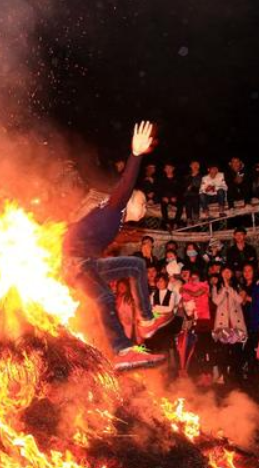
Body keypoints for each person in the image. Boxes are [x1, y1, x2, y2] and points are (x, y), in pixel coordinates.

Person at [62, 121, 169, 371]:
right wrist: (135, 155)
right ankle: (126, 345)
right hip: (74, 262)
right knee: (105, 295)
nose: (145, 209)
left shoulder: (114, 220)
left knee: (134, 265)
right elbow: (125, 185)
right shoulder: (115, 207)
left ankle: (143, 323)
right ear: (129, 201)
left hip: (86, 263)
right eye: (142, 203)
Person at [212, 266, 247, 384]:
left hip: (235, 322)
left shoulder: (238, 286)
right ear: (221, 273)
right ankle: (223, 374)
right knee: (223, 351)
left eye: (229, 271)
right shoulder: (216, 286)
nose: (227, 274)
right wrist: (223, 290)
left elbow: (240, 300)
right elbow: (216, 301)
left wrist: (229, 289)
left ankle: (236, 374)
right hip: (223, 323)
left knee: (236, 350)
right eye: (224, 272)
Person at [155, 163, 185, 230]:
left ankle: (176, 223)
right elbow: (158, 189)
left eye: (170, 168)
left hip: (174, 198)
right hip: (165, 197)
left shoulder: (178, 178)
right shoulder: (161, 178)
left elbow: (181, 189)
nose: (168, 169)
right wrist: (163, 197)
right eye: (167, 168)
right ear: (164, 170)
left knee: (180, 206)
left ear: (173, 169)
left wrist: (176, 197)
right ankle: (167, 223)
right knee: (163, 205)